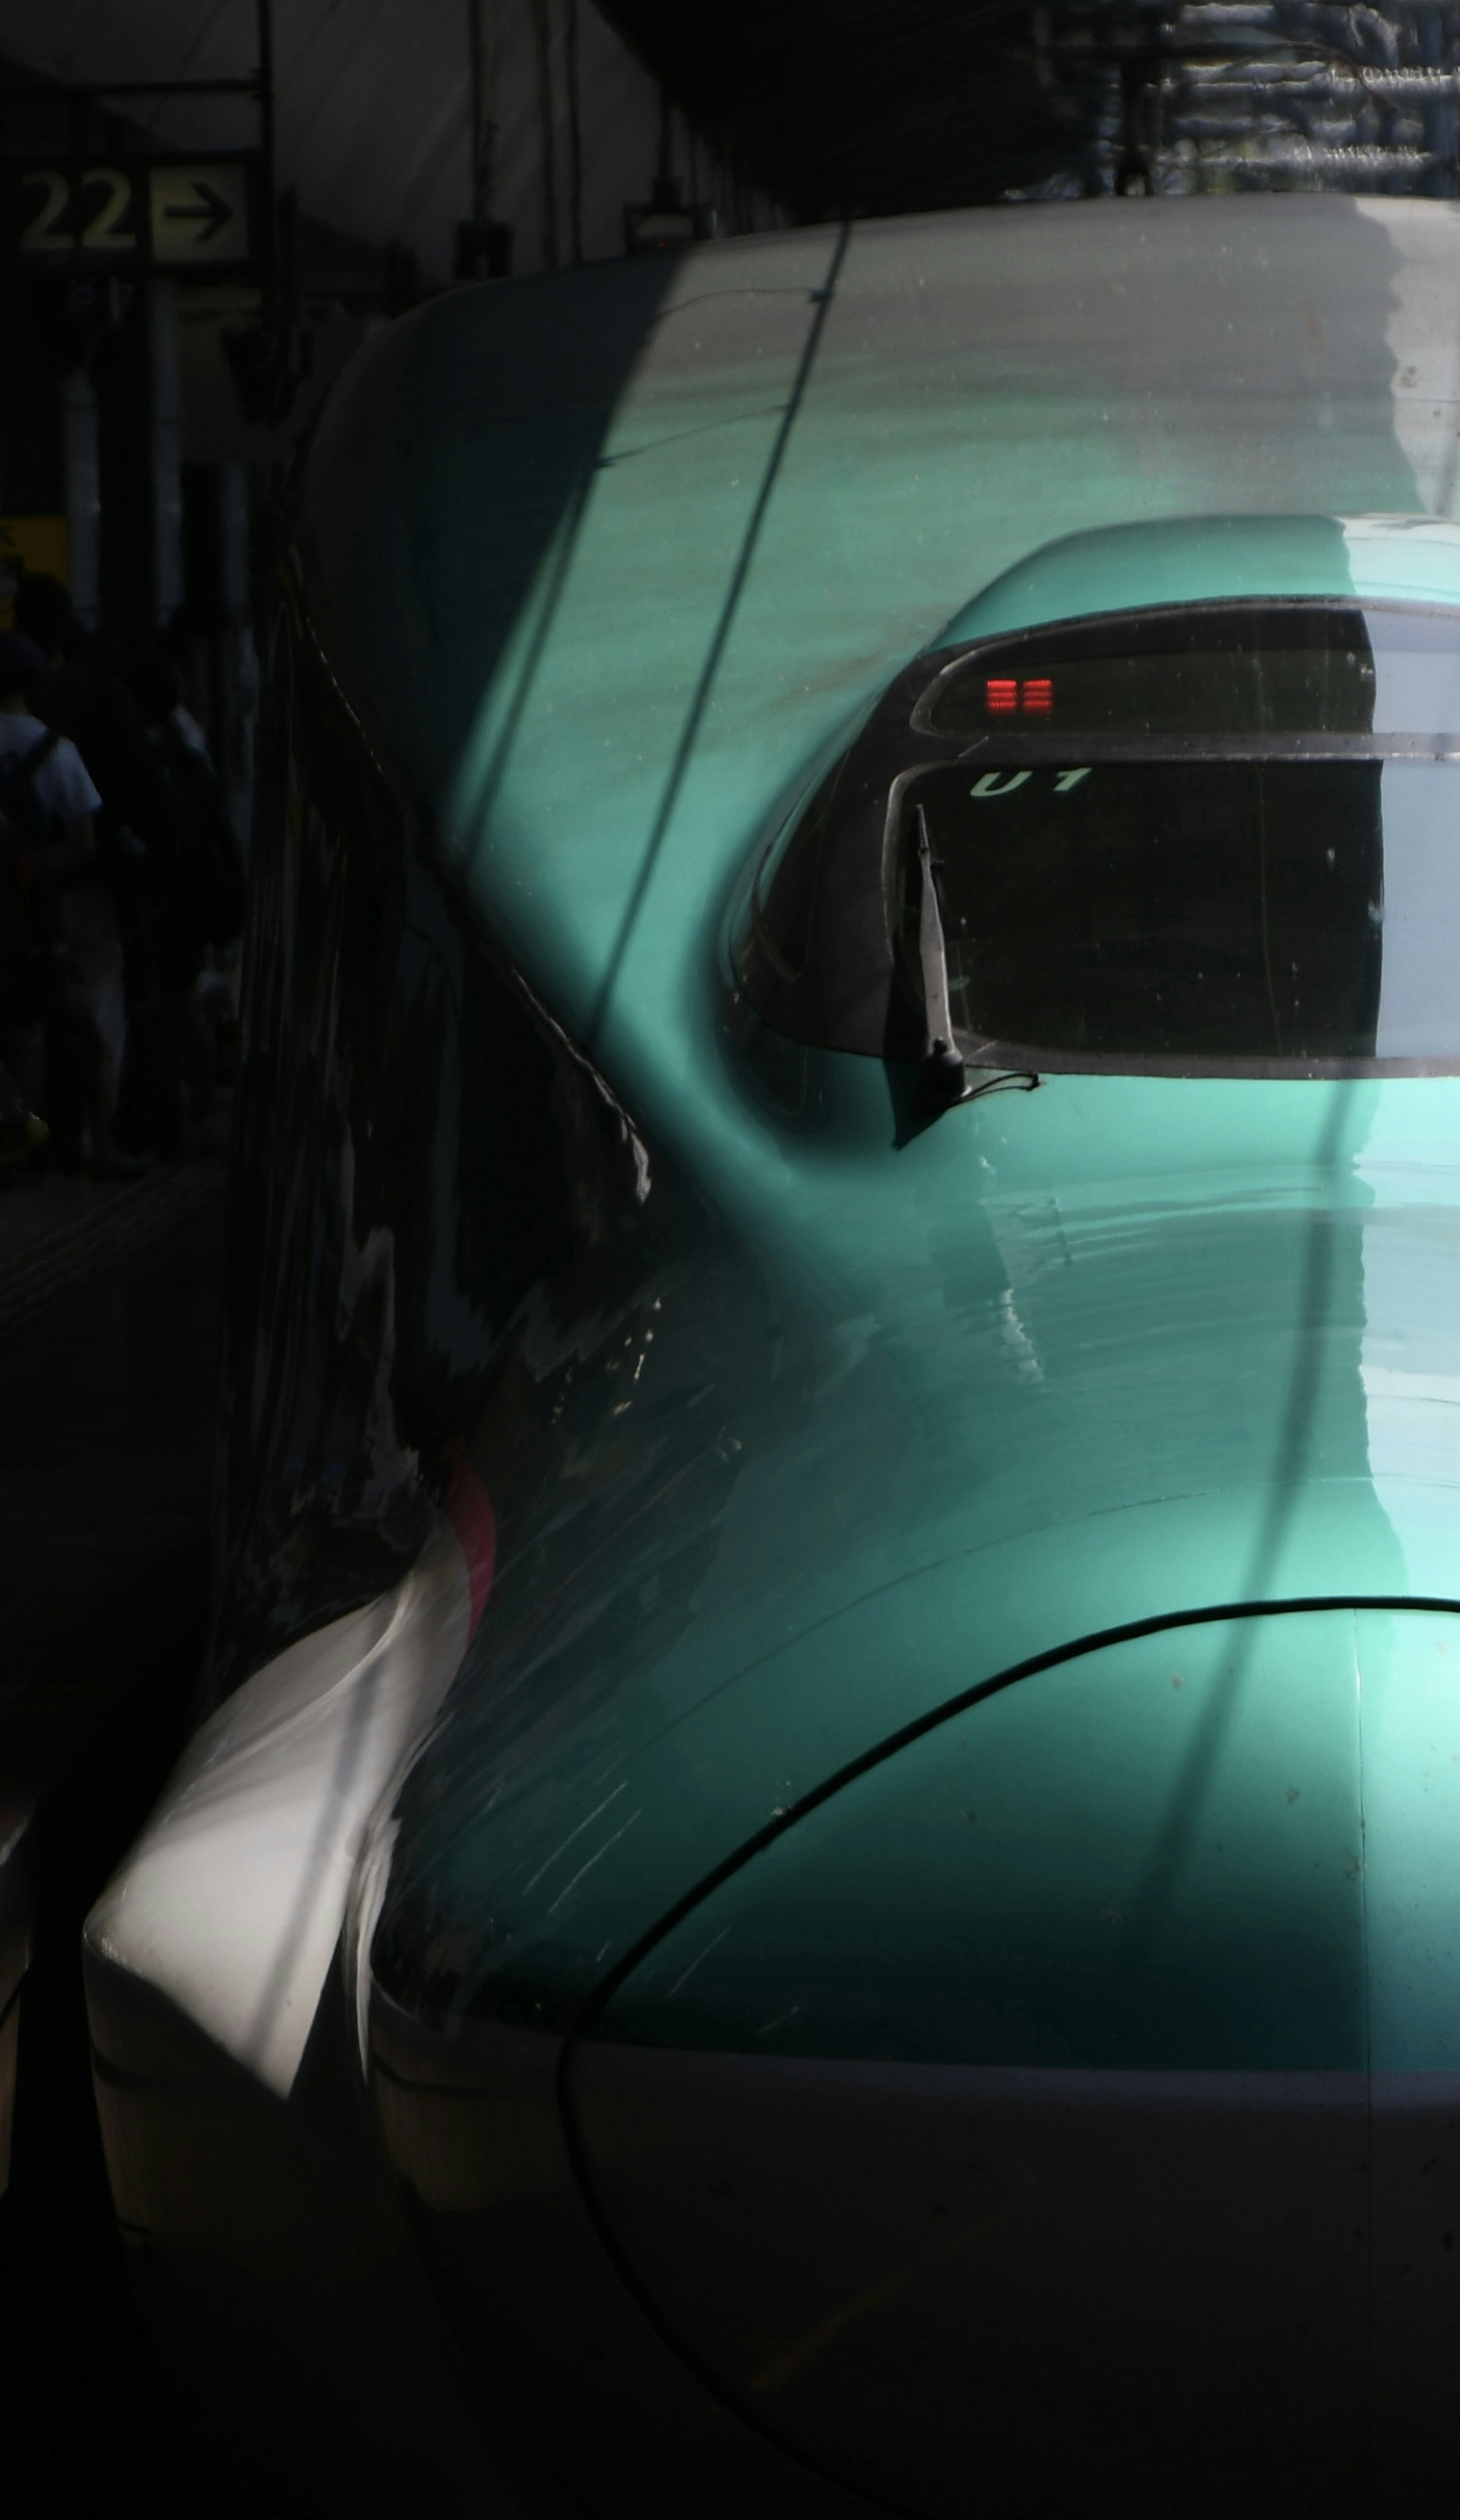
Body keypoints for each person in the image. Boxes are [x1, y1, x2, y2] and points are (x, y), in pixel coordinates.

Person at [0, 628, 140, 1177]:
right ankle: (46, 1145)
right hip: (32, 918)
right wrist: (31, 869)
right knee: (37, 1031)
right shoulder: (57, 751)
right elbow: (84, 840)